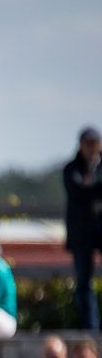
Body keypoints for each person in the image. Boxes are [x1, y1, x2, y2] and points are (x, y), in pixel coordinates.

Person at [63, 126, 102, 331]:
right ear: (80, 145)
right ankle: (91, 329)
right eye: (87, 143)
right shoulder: (71, 169)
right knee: (84, 282)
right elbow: (76, 192)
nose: (91, 147)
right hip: (81, 234)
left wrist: (89, 188)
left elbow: (85, 191)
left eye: (94, 142)